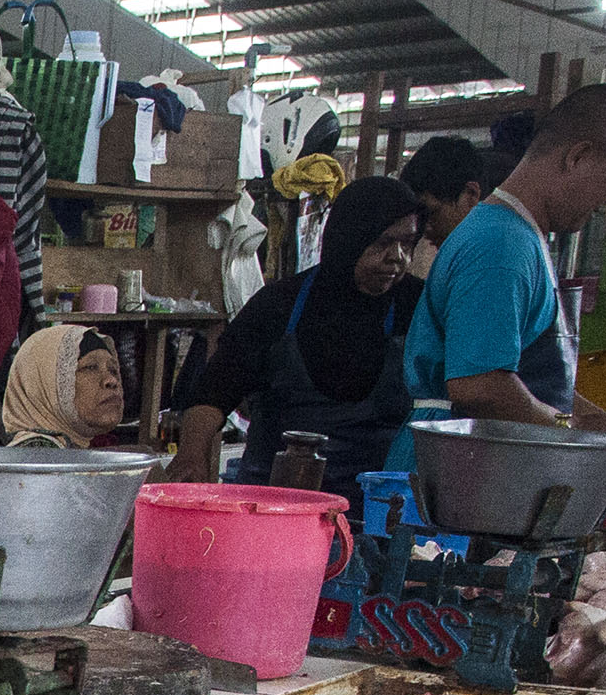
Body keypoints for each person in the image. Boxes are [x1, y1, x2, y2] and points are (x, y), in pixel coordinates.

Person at [405, 83, 606, 429]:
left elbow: (531, 379)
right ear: (577, 156)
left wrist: (598, 419)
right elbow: (481, 388)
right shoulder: (500, 243)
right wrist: (572, 428)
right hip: (460, 468)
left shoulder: (519, 235)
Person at [176, 174, 425, 485]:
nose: (397, 258)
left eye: (407, 243)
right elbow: (212, 393)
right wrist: (191, 457)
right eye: (383, 242)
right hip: (273, 499)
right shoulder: (279, 304)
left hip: (377, 506)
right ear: (350, 237)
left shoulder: (417, 305)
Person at [0, 325, 128, 447]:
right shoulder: (39, 456)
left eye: (113, 370)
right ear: (45, 384)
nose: (111, 380)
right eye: (90, 367)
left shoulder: (65, 449)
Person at [399, 136, 489, 282]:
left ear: (470, 194)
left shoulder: (491, 268)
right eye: (419, 218)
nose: (423, 229)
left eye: (432, 213)